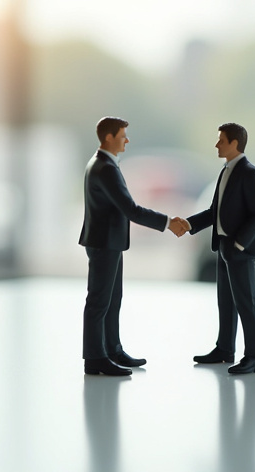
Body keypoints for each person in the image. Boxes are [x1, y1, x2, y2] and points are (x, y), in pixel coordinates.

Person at [80, 116, 188, 376]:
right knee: (99, 301)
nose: (127, 140)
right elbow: (130, 209)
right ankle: (95, 358)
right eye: (122, 135)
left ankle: (112, 350)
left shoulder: (106, 164)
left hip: (109, 241)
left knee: (112, 299)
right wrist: (167, 222)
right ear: (108, 137)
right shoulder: (104, 167)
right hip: (104, 242)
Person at [183, 123, 255, 374]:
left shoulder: (250, 173)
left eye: (221, 140)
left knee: (246, 303)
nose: (217, 144)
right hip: (222, 246)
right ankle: (224, 349)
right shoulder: (225, 171)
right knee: (225, 301)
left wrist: (239, 244)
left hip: (239, 249)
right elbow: (214, 212)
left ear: (234, 143)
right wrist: (188, 224)